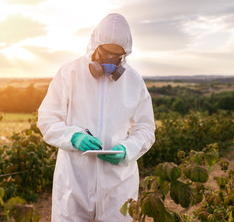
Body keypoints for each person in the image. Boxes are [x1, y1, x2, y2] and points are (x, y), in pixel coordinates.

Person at [37, 13, 155, 222]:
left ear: (125, 55)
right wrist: (73, 137)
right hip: (74, 181)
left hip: (118, 183)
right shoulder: (69, 73)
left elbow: (145, 128)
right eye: (106, 53)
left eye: (116, 56)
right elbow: (47, 119)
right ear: (94, 46)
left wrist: (127, 149)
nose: (110, 61)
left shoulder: (134, 81)